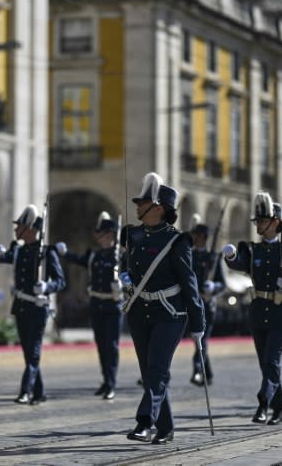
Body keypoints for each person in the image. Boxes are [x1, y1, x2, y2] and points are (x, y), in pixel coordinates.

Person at [120, 172, 205, 445]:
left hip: (170, 314)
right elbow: (128, 265)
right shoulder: (133, 235)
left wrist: (198, 323)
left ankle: (145, 422)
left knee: (157, 370)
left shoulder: (177, 241)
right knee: (149, 373)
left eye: (142, 202)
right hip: (139, 311)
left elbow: (189, 283)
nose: (136, 206)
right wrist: (124, 276)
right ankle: (166, 428)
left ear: (158, 207)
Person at [223, 192, 282, 425]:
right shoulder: (253, 250)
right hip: (258, 312)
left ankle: (263, 404)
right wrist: (231, 257)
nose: (257, 224)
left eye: (262, 220)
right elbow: (241, 264)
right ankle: (280, 410)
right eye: (257, 221)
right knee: (266, 364)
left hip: (281, 313)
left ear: (275, 223)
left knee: (271, 362)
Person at [0, 204, 66, 405]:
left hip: (38, 307)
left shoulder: (47, 252)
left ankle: (26, 391)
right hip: (22, 306)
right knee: (28, 351)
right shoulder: (18, 250)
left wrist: (46, 286)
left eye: (20, 226)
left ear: (31, 229)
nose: (16, 230)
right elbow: (4, 258)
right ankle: (39, 392)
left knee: (33, 351)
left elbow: (61, 281)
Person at [57, 211, 123, 400]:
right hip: (96, 304)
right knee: (101, 345)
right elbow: (80, 261)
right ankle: (105, 380)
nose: (97, 236)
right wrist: (66, 253)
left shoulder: (120, 257)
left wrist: (124, 285)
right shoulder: (95, 256)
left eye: (100, 232)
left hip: (113, 305)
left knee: (111, 346)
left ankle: (111, 383)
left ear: (109, 235)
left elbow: (132, 278)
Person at [187, 214, 225, 388]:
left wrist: (213, 286)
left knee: (201, 341)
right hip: (193, 304)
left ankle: (197, 369)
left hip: (207, 305)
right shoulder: (189, 256)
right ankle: (207, 373)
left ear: (204, 237)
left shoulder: (214, 258)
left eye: (197, 235)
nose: (194, 238)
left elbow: (222, 283)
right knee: (199, 341)